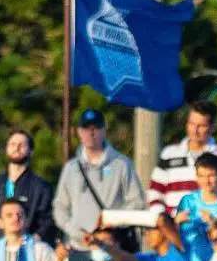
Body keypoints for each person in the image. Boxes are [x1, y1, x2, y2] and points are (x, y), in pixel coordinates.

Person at [52, 107, 147, 251]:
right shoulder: (71, 168)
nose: (91, 133)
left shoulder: (122, 164)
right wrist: (75, 232)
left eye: (96, 128)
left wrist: (113, 223)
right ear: (78, 132)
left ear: (104, 130)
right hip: (79, 247)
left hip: (113, 248)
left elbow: (137, 203)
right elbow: (60, 207)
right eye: (86, 128)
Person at [148, 99, 217, 216]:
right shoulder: (169, 155)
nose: (195, 130)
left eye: (201, 126)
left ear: (213, 127)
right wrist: (166, 220)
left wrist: (216, 221)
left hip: (213, 228)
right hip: (174, 227)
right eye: (191, 124)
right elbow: (154, 195)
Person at [0, 129, 57, 247]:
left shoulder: (41, 188)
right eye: (12, 144)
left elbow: (48, 222)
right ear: (6, 149)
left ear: (31, 151)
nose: (16, 148)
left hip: (27, 253)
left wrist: (32, 243)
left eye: (22, 145)